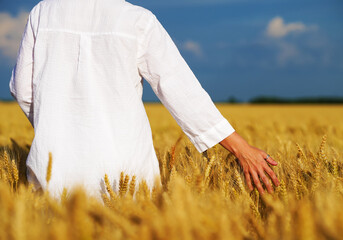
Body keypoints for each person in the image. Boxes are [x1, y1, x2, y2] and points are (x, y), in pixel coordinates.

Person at [9, 0, 279, 201]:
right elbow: (180, 89)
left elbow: (21, 88)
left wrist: (58, 127)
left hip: (54, 173)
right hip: (125, 175)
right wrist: (241, 149)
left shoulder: (41, 13)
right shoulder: (137, 20)